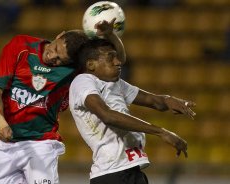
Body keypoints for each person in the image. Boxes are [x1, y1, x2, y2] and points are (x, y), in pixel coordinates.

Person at [0, 19, 124, 184]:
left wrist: (111, 36)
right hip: (2, 145)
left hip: (40, 142)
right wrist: (0, 121)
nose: (52, 56)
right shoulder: (21, 46)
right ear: (60, 35)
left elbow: (117, 62)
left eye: (60, 60)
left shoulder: (76, 69)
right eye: (56, 48)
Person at [69, 38, 196, 184]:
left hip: (131, 171)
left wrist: (168, 100)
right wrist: (161, 132)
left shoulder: (115, 84)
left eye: (117, 57)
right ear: (91, 64)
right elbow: (107, 115)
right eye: (111, 58)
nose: (118, 62)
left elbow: (154, 101)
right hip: (112, 174)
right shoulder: (83, 81)